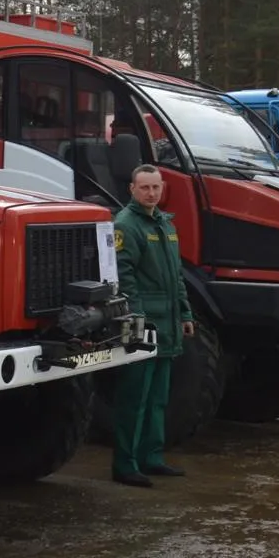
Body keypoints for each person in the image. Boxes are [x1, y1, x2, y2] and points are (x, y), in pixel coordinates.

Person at [109, 164, 194, 486]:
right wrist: (138, 320)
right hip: (143, 323)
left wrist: (185, 315)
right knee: (134, 398)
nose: (151, 193)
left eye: (156, 187)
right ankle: (125, 464)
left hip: (168, 323)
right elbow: (124, 278)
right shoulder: (126, 226)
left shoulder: (165, 225)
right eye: (144, 188)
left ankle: (151, 457)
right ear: (132, 189)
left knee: (158, 398)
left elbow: (177, 278)